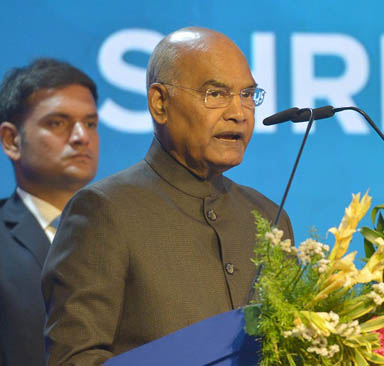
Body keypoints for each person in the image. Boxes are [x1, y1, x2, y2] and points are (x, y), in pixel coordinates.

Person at [41, 27, 293, 365]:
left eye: (247, 94)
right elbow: (74, 359)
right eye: (216, 94)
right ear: (160, 103)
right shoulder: (104, 211)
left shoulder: (268, 216)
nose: (240, 112)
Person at [0, 58, 100, 366]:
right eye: (58, 123)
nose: (81, 136)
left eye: (91, 123)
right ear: (11, 140)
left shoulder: (129, 228)